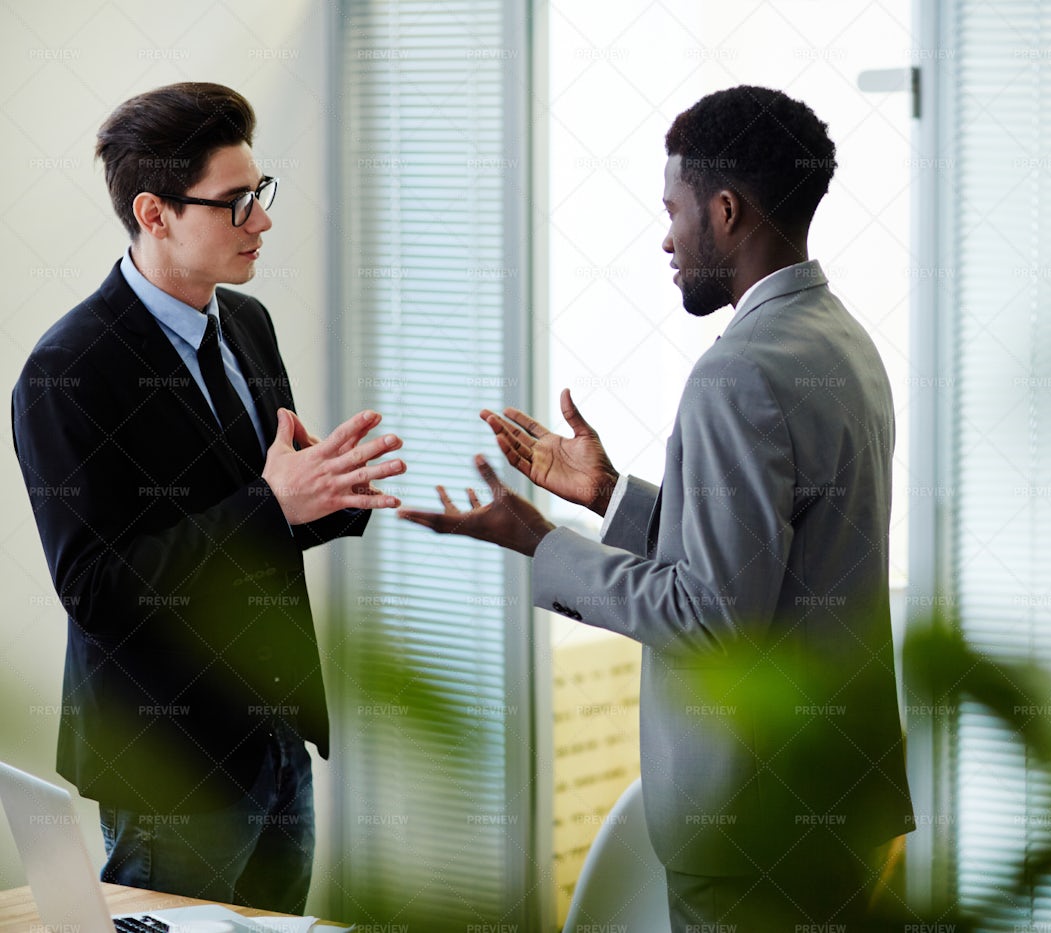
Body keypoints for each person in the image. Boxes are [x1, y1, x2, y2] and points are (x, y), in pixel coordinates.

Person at [400, 85, 913, 931]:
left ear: (725, 209)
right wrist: (610, 498)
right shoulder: (842, 341)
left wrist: (541, 543)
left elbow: (712, 616)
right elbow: (769, 561)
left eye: (673, 211)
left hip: (751, 834)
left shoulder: (735, 374)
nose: (666, 238)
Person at [11, 82, 405, 911]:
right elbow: (96, 587)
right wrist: (274, 503)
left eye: (259, 194)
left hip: (276, 742)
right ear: (154, 214)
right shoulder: (67, 371)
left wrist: (339, 492)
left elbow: (263, 512)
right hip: (170, 770)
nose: (261, 221)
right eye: (235, 205)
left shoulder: (248, 325)